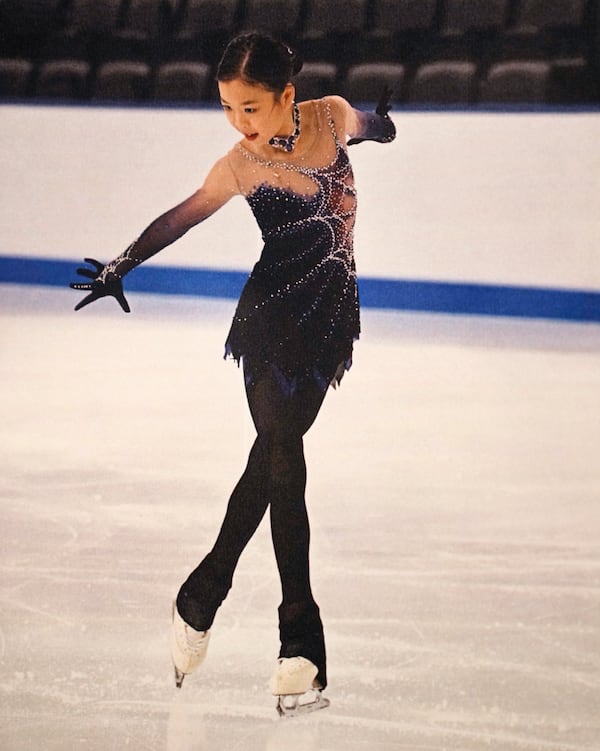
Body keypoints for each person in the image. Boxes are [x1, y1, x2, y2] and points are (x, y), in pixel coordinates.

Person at [71, 32, 396, 716]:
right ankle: (300, 639)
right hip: (270, 317)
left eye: (250, 107)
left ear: (287, 96)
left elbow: (369, 126)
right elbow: (181, 216)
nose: (239, 122)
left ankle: (203, 589)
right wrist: (120, 264)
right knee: (284, 452)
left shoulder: (332, 116)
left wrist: (384, 126)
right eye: (226, 108)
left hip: (329, 318)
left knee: (276, 453)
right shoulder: (242, 164)